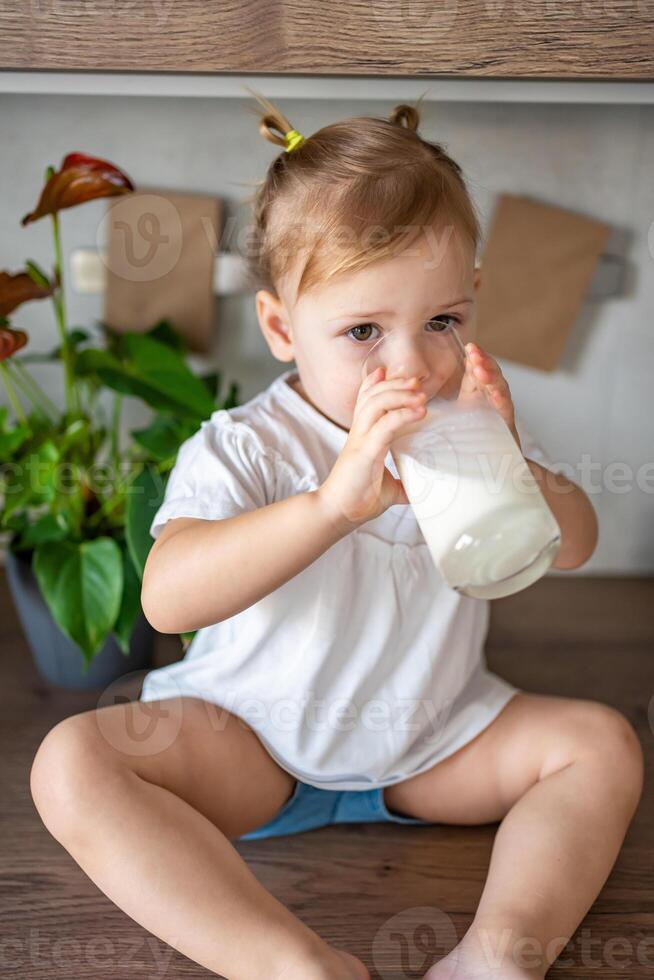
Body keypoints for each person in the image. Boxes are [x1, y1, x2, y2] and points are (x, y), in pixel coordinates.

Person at [29, 91, 643, 980]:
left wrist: (515, 462)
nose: (414, 366)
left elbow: (576, 543)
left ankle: (499, 952)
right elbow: (168, 593)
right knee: (73, 763)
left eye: (443, 321)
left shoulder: (467, 422)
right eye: (363, 331)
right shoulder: (243, 445)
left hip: (431, 744)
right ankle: (291, 964)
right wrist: (330, 508)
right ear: (282, 327)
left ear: (472, 301)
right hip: (252, 744)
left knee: (603, 744)